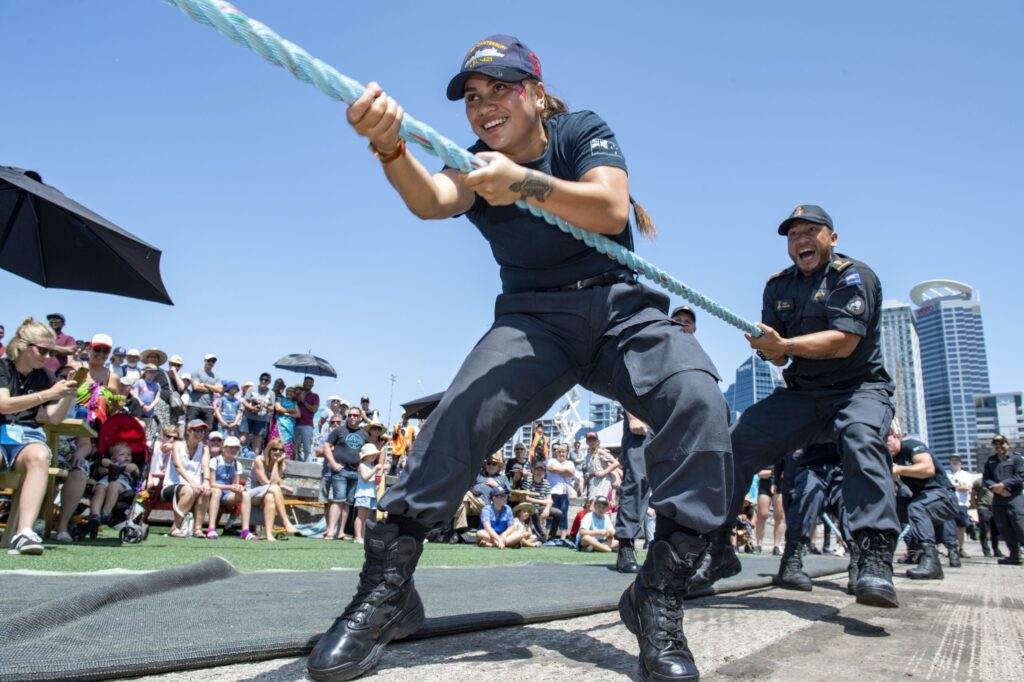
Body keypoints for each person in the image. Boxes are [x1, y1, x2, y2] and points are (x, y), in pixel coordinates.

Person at [308, 35, 733, 682]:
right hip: (534, 319)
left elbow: (611, 205)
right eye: (473, 98)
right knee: (460, 412)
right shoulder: (476, 163)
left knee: (698, 397)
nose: (484, 107)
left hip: (623, 308)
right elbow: (430, 200)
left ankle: (659, 595)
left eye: (500, 89)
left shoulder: (580, 130)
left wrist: (527, 185)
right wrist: (389, 146)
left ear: (535, 94)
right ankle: (389, 593)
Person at [691, 204, 901, 610]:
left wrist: (783, 346)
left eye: (811, 231)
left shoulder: (854, 276)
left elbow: (844, 341)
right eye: (793, 235)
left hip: (858, 389)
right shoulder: (778, 287)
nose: (801, 240)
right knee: (735, 443)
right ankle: (717, 550)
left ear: (832, 239)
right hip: (803, 394)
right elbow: (781, 359)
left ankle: (874, 556)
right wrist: (768, 347)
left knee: (861, 437)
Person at [1, 318, 79, 554]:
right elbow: (3, 405)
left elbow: (54, 418)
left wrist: (67, 394)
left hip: (26, 437)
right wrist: (46, 395)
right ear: (23, 345)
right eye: (42, 350)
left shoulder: (45, 376)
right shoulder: (3, 367)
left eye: (51, 351)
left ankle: (24, 533)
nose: (47, 356)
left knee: (40, 455)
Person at [776, 442, 856, 593]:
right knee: (808, 496)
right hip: (809, 465)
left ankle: (859, 562)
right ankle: (790, 561)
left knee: (850, 503)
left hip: (843, 466)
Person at [887, 429, 959, 579]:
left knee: (917, 508)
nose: (885, 446)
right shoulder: (889, 459)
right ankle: (915, 552)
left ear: (894, 436)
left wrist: (899, 469)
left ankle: (932, 562)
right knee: (895, 507)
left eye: (886, 441)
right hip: (921, 497)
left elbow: (928, 468)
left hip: (943, 496)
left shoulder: (911, 445)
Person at [321, 407, 369, 541]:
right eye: (350, 415)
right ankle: (330, 531)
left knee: (347, 503)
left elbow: (367, 452)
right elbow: (326, 447)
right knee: (337, 500)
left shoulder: (365, 434)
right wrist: (333, 463)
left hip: (355, 472)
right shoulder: (339, 430)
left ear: (360, 418)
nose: (352, 417)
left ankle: (340, 532)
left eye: (355, 415)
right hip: (340, 470)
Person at [240, 438, 300, 541]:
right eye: (275, 449)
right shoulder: (259, 460)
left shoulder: (282, 464)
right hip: (252, 493)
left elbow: (274, 481)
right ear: (269, 450)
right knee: (275, 488)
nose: (277, 452)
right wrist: (284, 487)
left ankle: (269, 534)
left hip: (266, 493)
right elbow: (266, 483)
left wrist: (276, 463)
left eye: (281, 450)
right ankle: (286, 522)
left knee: (270, 497)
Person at [162, 419, 212, 538]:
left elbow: (206, 466)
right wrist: (193, 483)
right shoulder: (177, 445)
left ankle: (197, 529)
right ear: (189, 431)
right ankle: (175, 527)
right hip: (172, 485)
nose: (200, 433)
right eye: (196, 430)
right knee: (189, 490)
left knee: (206, 491)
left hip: (194, 486)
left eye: (202, 430)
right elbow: (178, 467)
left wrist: (206, 482)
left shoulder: (204, 448)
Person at [982, 434, 1024, 565]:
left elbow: (1020, 476)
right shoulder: (990, 461)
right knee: (1004, 527)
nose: (999, 446)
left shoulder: (1017, 458)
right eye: (996, 444)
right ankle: (1014, 556)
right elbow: (986, 479)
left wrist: (1004, 485)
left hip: (1015, 498)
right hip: (998, 499)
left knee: (1020, 525)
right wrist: (996, 488)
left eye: (1002, 443)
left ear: (1008, 444)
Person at [87, 441, 140, 529]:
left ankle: (105, 513)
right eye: (122, 454)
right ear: (113, 458)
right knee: (100, 488)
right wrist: (102, 464)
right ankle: (95, 515)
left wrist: (133, 468)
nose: (126, 456)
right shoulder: (110, 463)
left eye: (128, 454)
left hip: (122, 484)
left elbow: (138, 474)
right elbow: (101, 472)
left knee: (113, 485)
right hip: (105, 481)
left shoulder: (131, 465)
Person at [205, 435, 245, 539]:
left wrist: (238, 488)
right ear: (224, 448)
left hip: (227, 493)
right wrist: (230, 487)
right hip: (215, 491)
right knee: (217, 492)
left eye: (236, 448)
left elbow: (235, 485)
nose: (234, 450)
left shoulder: (237, 464)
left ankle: (230, 525)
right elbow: (212, 483)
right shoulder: (215, 461)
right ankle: (211, 528)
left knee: (245, 495)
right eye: (231, 447)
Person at [353, 443, 383, 544]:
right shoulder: (362, 465)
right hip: (363, 494)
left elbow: (370, 481)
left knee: (365, 518)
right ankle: (358, 537)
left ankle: (362, 536)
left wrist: (377, 483)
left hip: (370, 494)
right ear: (365, 456)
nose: (374, 456)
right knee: (361, 516)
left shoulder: (370, 466)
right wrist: (375, 470)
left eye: (375, 454)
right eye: (372, 454)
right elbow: (365, 478)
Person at [946, 455, 974, 557]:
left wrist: (953, 486)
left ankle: (961, 548)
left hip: (962, 503)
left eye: (957, 460)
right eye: (953, 460)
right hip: (948, 504)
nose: (955, 462)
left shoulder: (966, 474)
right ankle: (950, 548)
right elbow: (944, 486)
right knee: (948, 527)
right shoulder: (946, 474)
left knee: (961, 527)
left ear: (960, 462)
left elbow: (967, 487)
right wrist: (959, 486)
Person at [242, 372, 275, 454]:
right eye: (262, 379)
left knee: (256, 444)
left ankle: (254, 463)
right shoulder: (251, 389)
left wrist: (265, 405)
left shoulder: (271, 393)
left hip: (261, 419)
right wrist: (251, 407)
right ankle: (238, 459)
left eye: (266, 380)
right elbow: (244, 401)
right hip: (248, 416)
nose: (263, 381)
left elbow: (272, 409)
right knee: (242, 439)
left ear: (269, 382)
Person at [187, 354, 223, 429]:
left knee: (207, 431)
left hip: (208, 407)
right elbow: (196, 387)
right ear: (205, 361)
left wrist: (206, 385)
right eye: (209, 360)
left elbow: (220, 390)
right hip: (194, 405)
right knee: (190, 429)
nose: (211, 362)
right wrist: (213, 388)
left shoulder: (216, 376)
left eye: (213, 361)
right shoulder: (196, 373)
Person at [584, 432, 619, 502]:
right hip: (593, 482)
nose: (591, 442)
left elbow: (616, 463)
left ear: (597, 441)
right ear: (587, 442)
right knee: (592, 504)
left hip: (603, 481)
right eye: (589, 440)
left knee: (599, 503)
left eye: (593, 440)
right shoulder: (588, 455)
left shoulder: (600, 452)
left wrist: (604, 472)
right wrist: (589, 474)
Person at [972, 473, 1000, 557]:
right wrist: (976, 505)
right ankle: (986, 550)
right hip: (983, 507)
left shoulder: (997, 481)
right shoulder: (979, 481)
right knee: (984, 529)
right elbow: (973, 495)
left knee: (995, 530)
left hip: (995, 507)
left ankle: (996, 549)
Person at [294, 376, 320, 462]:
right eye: (306, 382)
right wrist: (299, 399)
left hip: (307, 425)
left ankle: (306, 465)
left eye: (310, 382)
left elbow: (314, 409)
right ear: (303, 383)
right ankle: (293, 463)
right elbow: (291, 406)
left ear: (312, 385)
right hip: (295, 423)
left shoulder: (315, 396)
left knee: (307, 447)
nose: (308, 383)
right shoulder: (297, 395)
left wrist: (304, 401)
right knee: (294, 447)